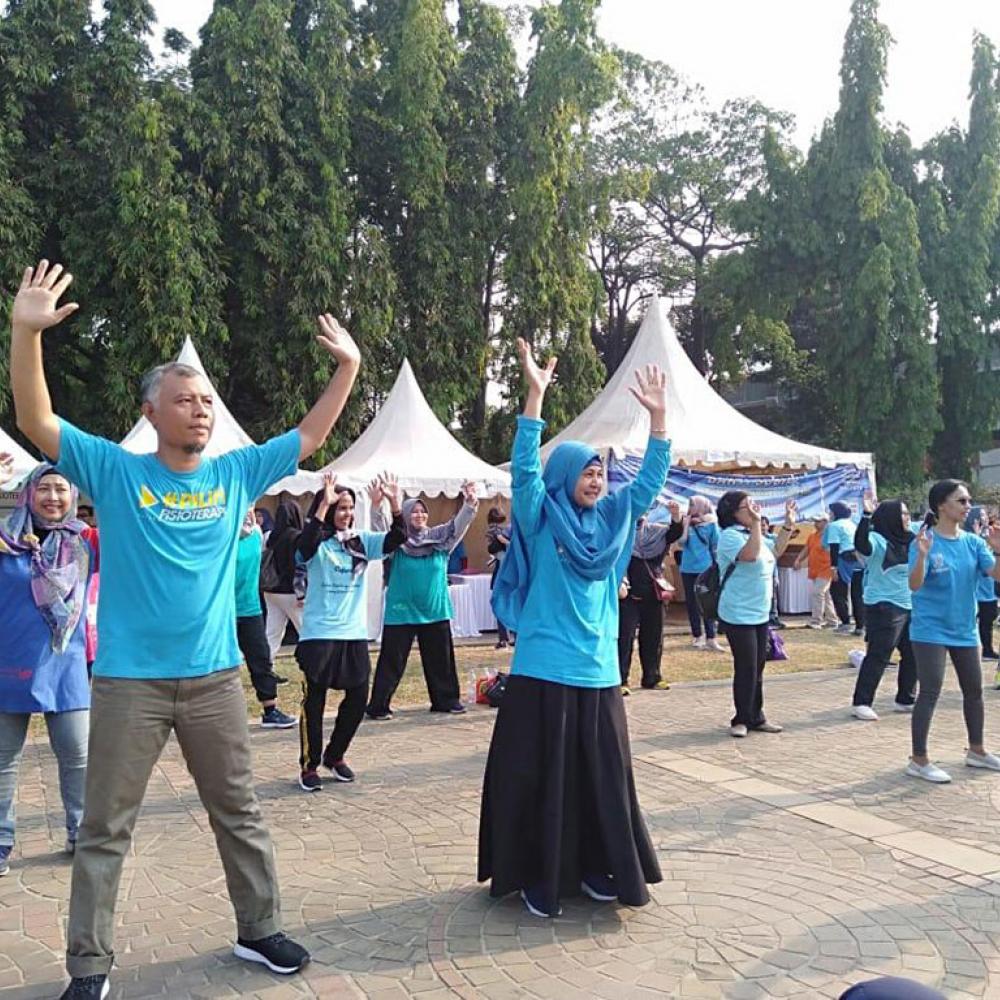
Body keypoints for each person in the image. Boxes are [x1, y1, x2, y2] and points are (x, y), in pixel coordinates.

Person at [10, 260, 362, 997]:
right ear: (151, 412)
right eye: (184, 399)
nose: (201, 409)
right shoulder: (114, 471)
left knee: (237, 809)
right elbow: (37, 421)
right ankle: (89, 965)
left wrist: (349, 369)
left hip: (212, 681)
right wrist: (25, 332)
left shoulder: (232, 474)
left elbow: (306, 435)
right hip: (129, 684)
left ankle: (258, 930)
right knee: (105, 828)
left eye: (205, 399)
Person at [479, 341, 670, 919]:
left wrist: (659, 421)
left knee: (601, 780)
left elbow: (645, 488)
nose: (595, 479)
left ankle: (594, 868)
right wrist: (534, 397)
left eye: (600, 471)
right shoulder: (540, 519)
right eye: (586, 471)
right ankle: (540, 877)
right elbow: (526, 474)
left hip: (599, 669)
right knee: (544, 781)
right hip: (542, 668)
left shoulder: (613, 522)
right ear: (566, 476)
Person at [0, 465, 93, 879]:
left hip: (66, 667)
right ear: (29, 493)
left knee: (78, 757)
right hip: (8, 663)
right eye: (45, 488)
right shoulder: (5, 542)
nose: (53, 497)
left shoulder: (85, 543)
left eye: (61, 489)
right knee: (3, 761)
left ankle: (81, 835)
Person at [295, 472, 404, 791]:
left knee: (359, 698)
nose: (347, 513)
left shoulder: (360, 541)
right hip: (318, 633)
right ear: (328, 509)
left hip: (352, 634)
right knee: (313, 701)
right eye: (340, 507)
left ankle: (335, 755)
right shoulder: (317, 542)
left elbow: (396, 539)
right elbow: (302, 547)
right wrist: (322, 505)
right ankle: (309, 764)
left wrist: (395, 504)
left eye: (350, 508)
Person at [905, 480, 1000, 784]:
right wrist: (921, 556)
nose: (967, 506)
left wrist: (998, 549)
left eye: (968, 500)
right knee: (929, 691)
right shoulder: (925, 540)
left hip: (964, 629)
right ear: (941, 505)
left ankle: (977, 751)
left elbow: (995, 573)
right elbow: (914, 585)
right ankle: (918, 760)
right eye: (961, 500)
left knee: (974, 692)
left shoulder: (973, 542)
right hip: (930, 629)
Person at [366, 485, 478, 719]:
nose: (419, 515)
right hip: (401, 611)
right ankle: (379, 705)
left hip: (435, 611)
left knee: (441, 661)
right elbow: (381, 531)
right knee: (391, 661)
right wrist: (377, 506)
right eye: (414, 512)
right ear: (406, 515)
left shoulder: (441, 540)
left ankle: (446, 700)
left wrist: (469, 503)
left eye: (422, 511)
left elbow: (458, 527)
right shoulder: (398, 544)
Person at [716, 494, 796, 738]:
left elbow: (776, 550)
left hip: (760, 612)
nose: (754, 509)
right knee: (746, 666)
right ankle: (740, 718)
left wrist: (788, 525)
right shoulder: (730, 536)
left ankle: (756, 716)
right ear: (733, 512)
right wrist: (756, 524)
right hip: (738, 612)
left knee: (759, 666)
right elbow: (749, 556)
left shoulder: (756, 534)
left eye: (755, 504)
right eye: (747, 506)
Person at [850, 491, 917, 720]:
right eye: (903, 514)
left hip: (909, 605)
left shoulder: (911, 539)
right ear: (890, 518)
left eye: (909, 513)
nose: (908, 517)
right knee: (879, 655)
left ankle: (905, 698)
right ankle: (861, 702)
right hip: (884, 606)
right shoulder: (878, 540)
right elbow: (860, 543)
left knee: (914, 653)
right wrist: (867, 515)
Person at [235, 507, 296, 729]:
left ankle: (270, 709)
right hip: (223, 610)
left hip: (250, 608)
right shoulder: (224, 535)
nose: (249, 513)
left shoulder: (257, 534)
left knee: (260, 659)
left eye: (251, 508)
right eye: (244, 509)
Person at [617, 501, 683, 691]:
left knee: (654, 637)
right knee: (624, 637)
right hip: (627, 594)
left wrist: (675, 515)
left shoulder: (657, 531)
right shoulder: (621, 533)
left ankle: (652, 677)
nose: (642, 515)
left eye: (645, 510)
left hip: (654, 593)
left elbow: (674, 533)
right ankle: (621, 680)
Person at [676, 496, 723, 651]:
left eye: (693, 504)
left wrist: (718, 566)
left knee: (707, 602)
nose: (690, 507)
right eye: (689, 504)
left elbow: (715, 544)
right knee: (692, 603)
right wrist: (686, 524)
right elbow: (681, 543)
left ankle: (712, 637)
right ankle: (697, 636)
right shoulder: (686, 521)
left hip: (705, 568)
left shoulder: (711, 523)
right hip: (687, 568)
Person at [262, 498, 305, 659]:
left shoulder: (270, 537)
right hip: (290, 591)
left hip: (271, 590)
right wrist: (302, 592)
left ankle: (267, 668)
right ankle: (315, 667)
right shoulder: (296, 537)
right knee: (306, 630)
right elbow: (298, 567)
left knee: (272, 632)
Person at [824, 501, 865, 635]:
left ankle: (845, 622)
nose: (829, 514)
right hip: (858, 558)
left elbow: (834, 547)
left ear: (835, 513)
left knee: (837, 591)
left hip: (844, 559)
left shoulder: (834, 526)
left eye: (831, 512)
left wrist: (833, 567)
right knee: (857, 593)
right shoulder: (852, 523)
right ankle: (860, 626)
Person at [966, 506, 999, 664]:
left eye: (986, 515)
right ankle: (982, 649)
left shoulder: (990, 535)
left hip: (989, 588)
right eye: (981, 515)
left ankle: (987, 648)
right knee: (980, 621)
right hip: (978, 590)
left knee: (989, 619)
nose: (985, 518)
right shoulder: (971, 539)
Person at [793, 513, 838, 629]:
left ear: (825, 522)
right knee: (825, 595)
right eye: (815, 521)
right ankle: (832, 621)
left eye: (818, 521)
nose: (815, 523)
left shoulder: (830, 536)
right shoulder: (812, 536)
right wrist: (798, 560)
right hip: (815, 570)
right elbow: (806, 549)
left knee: (818, 593)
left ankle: (816, 621)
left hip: (826, 569)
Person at [486, 506, 513, 649]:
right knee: (511, 603)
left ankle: (504, 638)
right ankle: (513, 636)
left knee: (502, 603)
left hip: (501, 568)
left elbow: (496, 546)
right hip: (506, 568)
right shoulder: (503, 529)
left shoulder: (493, 529)